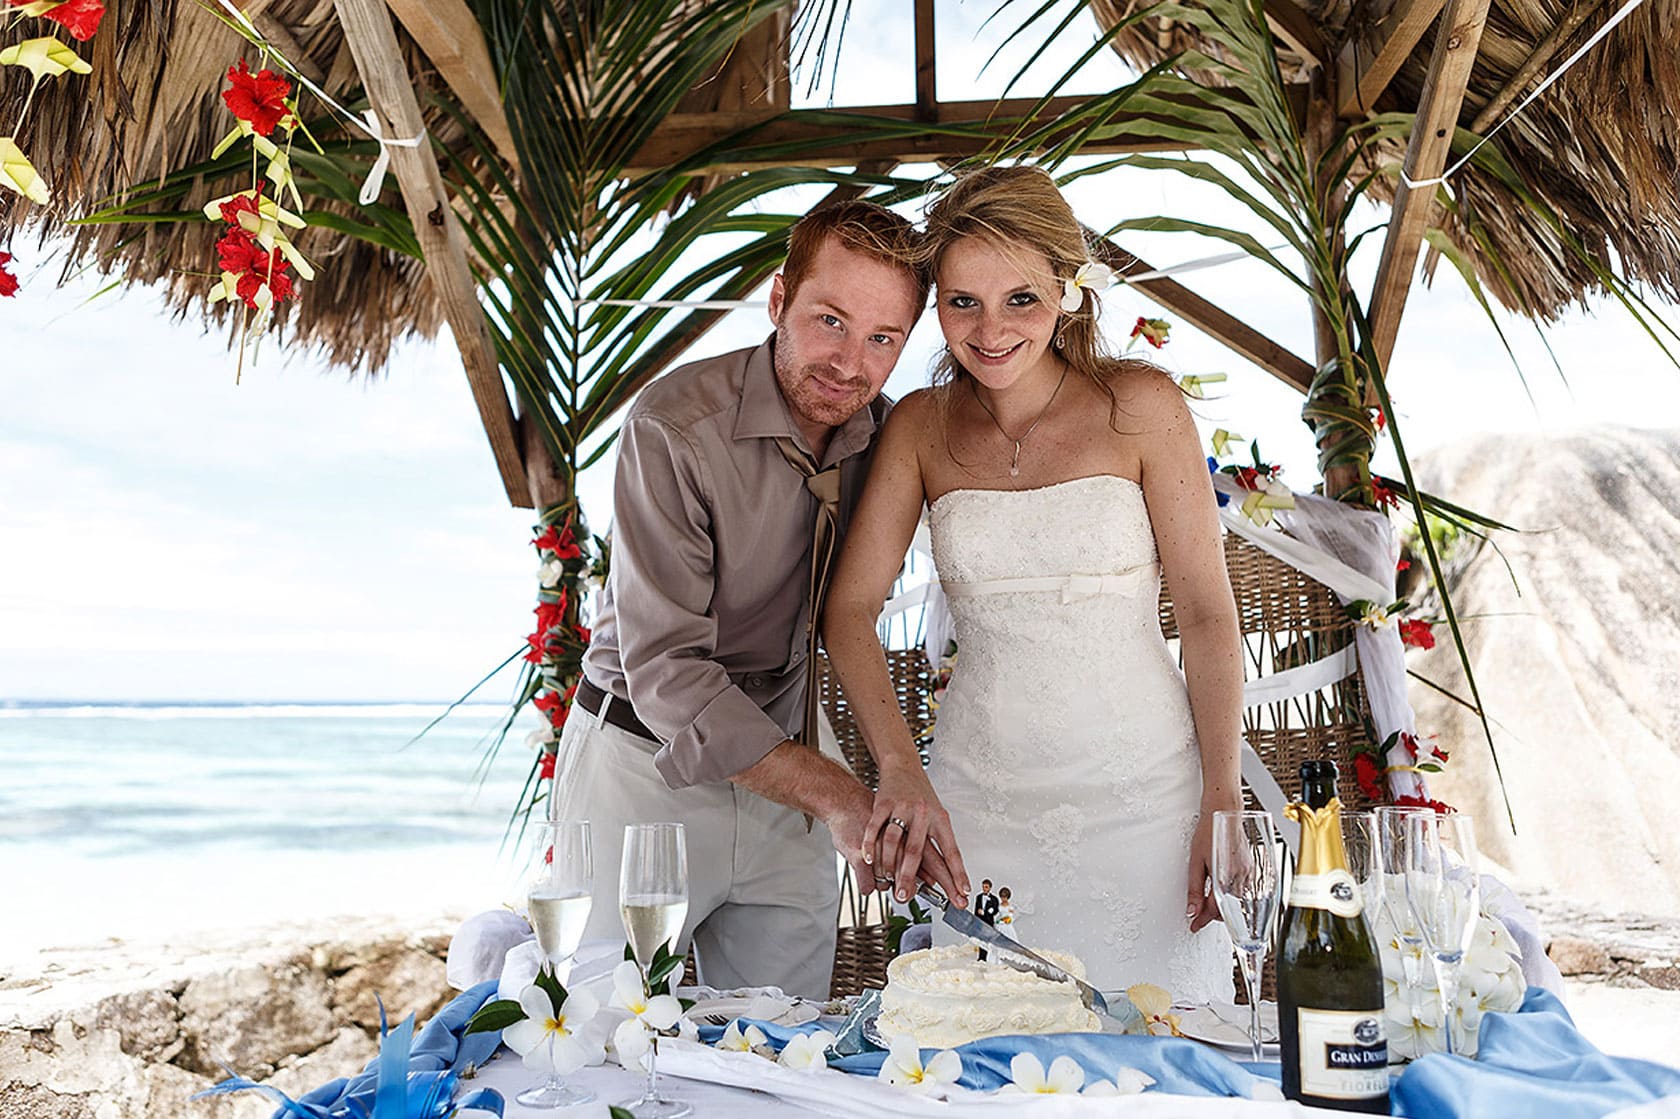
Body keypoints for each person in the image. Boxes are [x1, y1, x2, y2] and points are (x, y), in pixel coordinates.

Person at [823, 165, 1242, 1001]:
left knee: (1158, 1061)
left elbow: (1203, 612)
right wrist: (901, 769)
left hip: (1149, 807)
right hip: (980, 810)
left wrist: (1223, 803)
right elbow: (850, 609)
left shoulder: (1143, 406)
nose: (990, 331)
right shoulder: (919, 426)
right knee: (983, 1058)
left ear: (1069, 287)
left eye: (1021, 298)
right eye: (961, 301)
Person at [549, 200, 963, 1000]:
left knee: (782, 1049)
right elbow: (669, 675)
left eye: (883, 338)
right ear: (778, 302)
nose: (851, 362)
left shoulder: (886, 441)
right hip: (642, 775)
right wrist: (845, 795)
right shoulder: (672, 429)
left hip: (786, 789)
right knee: (608, 1044)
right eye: (830, 320)